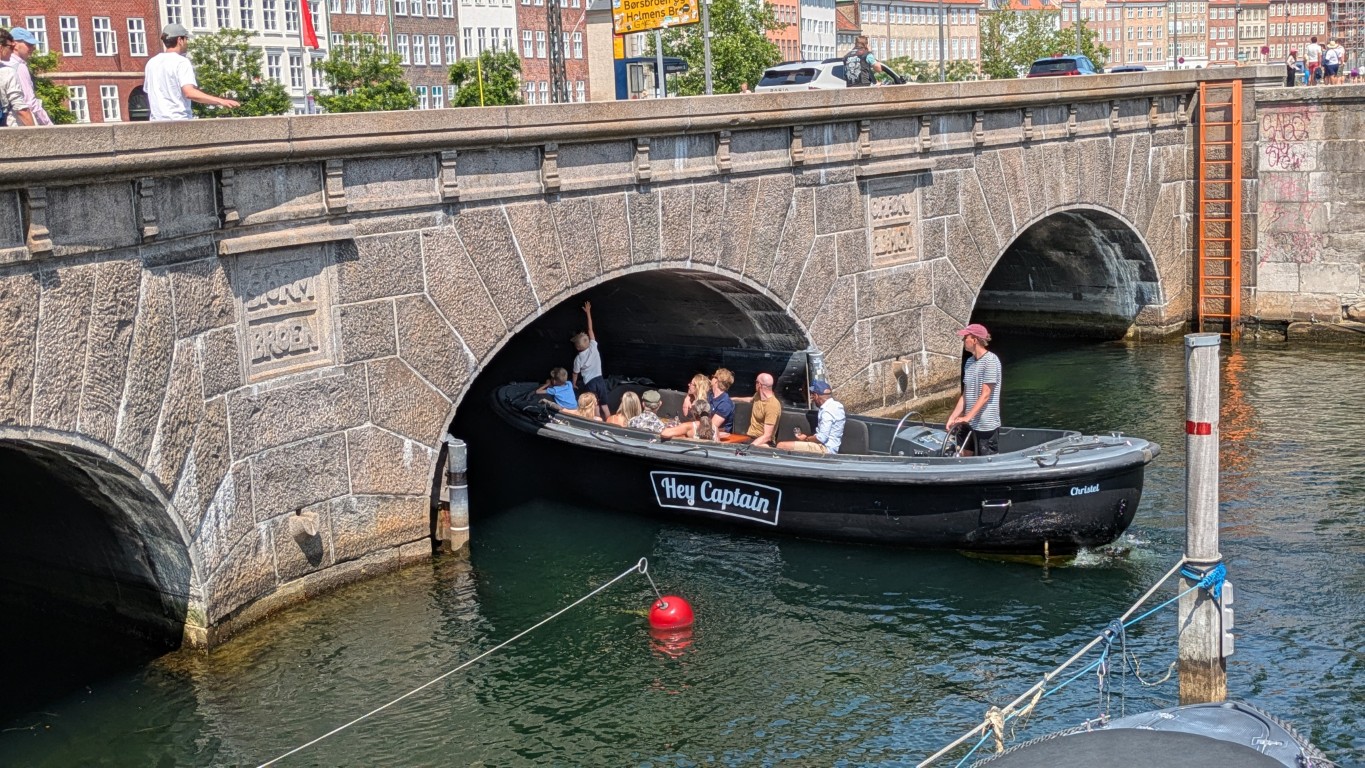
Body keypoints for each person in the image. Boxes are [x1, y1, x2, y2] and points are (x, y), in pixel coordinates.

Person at [143, 23, 240, 121]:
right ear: (180, 40)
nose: (187, 43)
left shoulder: (151, 63)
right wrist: (220, 101)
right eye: (186, 39)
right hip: (179, 121)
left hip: (156, 123)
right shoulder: (181, 62)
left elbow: (149, 91)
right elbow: (189, 93)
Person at [946, 323, 1002, 456]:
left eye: (966, 338)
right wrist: (953, 417)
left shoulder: (991, 361)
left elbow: (986, 395)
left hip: (985, 424)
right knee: (964, 453)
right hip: (969, 423)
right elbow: (965, 395)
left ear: (975, 340)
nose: (963, 341)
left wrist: (967, 417)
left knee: (987, 460)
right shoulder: (969, 362)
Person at [776, 380, 844, 454]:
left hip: (824, 449)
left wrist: (806, 439)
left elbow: (821, 438)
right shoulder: (837, 406)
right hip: (830, 448)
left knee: (781, 445)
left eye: (812, 395)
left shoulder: (827, 411)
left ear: (816, 395)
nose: (812, 398)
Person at [570, 301, 610, 420]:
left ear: (577, 348)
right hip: (600, 380)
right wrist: (588, 312)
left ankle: (597, 422)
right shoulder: (593, 346)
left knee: (595, 405)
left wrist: (574, 383)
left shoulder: (578, 358)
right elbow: (590, 329)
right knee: (604, 405)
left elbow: (575, 373)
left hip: (590, 383)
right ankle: (610, 422)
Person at [4, 28, 50, 126]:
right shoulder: (18, 66)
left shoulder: (3, 63)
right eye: (28, 44)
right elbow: (30, 102)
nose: (33, 48)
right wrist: (49, 125)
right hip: (17, 124)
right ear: (15, 45)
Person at [729, 372, 783, 447]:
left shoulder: (772, 405)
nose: (755, 384)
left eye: (756, 382)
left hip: (762, 442)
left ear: (759, 385)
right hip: (749, 437)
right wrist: (733, 398)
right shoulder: (758, 395)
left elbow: (767, 436)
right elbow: (750, 400)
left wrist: (750, 447)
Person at [0, 31, 32, 127]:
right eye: (11, 47)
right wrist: (37, 135)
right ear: (1, 48)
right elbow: (20, 109)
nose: (13, 50)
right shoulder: (7, 72)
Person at [707, 368, 736, 436]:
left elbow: (712, 426)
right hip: (705, 428)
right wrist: (688, 397)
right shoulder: (709, 395)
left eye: (713, 376)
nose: (711, 378)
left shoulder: (725, 403)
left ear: (717, 381)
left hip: (717, 434)